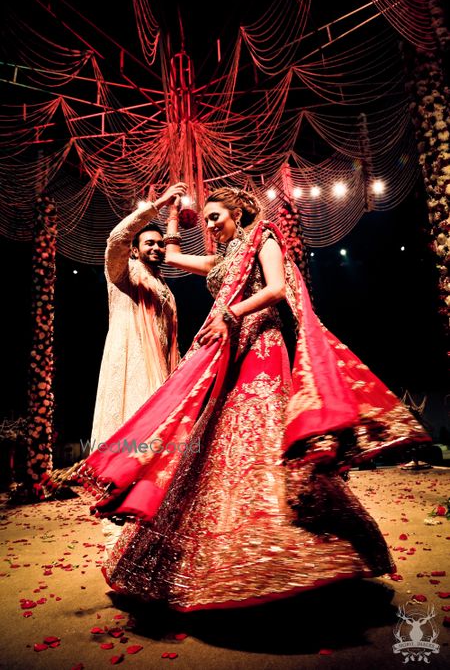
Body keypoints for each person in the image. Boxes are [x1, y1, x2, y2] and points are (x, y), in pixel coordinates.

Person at [81, 186, 430, 612]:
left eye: (215, 218)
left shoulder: (262, 236)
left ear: (239, 212)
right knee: (217, 441)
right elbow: (173, 258)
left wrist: (231, 313)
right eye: (206, 220)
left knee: (261, 430)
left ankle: (293, 546)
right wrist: (171, 214)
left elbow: (278, 289)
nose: (209, 226)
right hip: (230, 351)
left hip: (262, 344)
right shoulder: (224, 259)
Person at [89, 182, 186, 451]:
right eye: (149, 243)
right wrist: (159, 205)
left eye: (159, 244)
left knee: (160, 430)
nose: (156, 248)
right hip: (131, 357)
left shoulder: (162, 283)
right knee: (133, 423)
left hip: (161, 364)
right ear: (134, 249)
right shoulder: (123, 273)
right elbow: (116, 238)